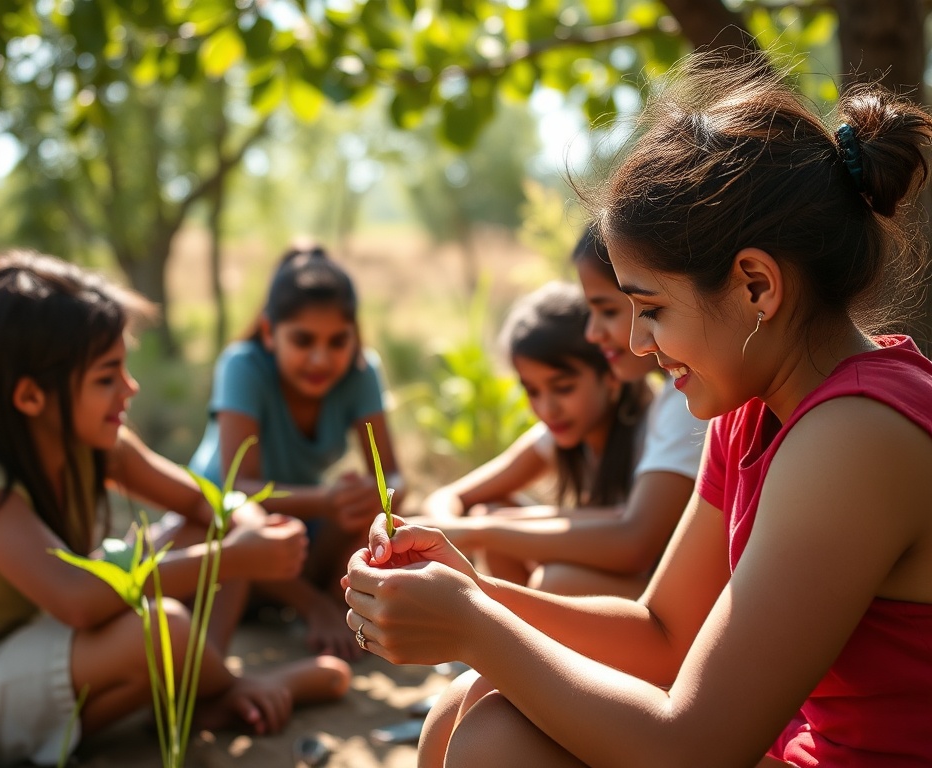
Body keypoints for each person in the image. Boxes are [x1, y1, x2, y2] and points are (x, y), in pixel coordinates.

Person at [344, 51, 932, 767]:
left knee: (497, 736)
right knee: (463, 709)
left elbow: (696, 746)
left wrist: (473, 628)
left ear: (755, 286)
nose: (634, 343)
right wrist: (475, 591)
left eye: (649, 308)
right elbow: (664, 632)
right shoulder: (754, 410)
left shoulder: (857, 436)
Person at [0, 252, 351, 768]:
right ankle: (227, 688)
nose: (130, 389)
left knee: (199, 533)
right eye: (106, 377)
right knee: (164, 627)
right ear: (30, 396)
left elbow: (203, 499)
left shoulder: (94, 444)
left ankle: (199, 693)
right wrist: (232, 559)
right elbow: (76, 601)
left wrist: (247, 522)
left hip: (37, 647)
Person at [189, 242, 403, 660]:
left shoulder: (362, 371)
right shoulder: (242, 366)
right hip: (225, 526)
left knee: (374, 512)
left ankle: (334, 604)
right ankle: (314, 607)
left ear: (354, 336)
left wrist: (368, 496)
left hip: (301, 528)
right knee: (247, 522)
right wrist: (325, 500)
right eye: (303, 340)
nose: (320, 358)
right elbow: (239, 491)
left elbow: (394, 477)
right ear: (270, 333)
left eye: (338, 341)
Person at [419, 280, 660, 596]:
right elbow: (447, 498)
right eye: (532, 391)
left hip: (655, 588)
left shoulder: (653, 430)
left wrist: (483, 530)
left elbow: (630, 526)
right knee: (489, 511)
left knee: (551, 575)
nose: (547, 409)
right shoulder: (555, 436)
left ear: (610, 376)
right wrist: (458, 529)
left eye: (563, 388)